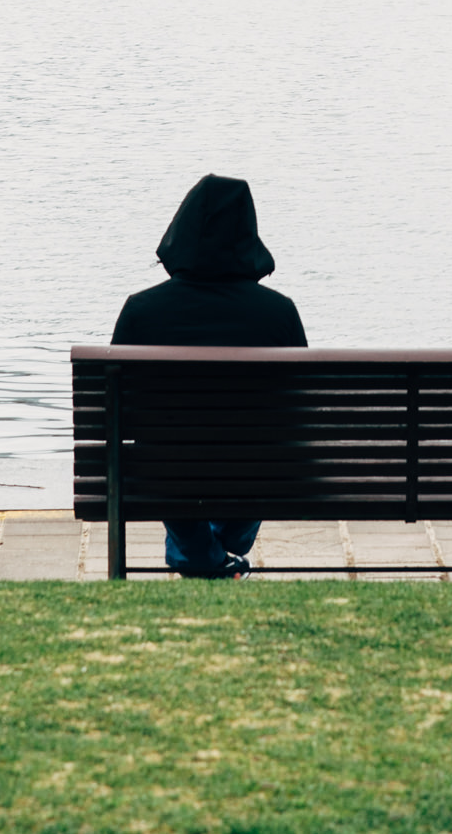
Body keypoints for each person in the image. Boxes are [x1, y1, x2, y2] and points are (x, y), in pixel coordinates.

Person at [112, 173, 306, 579]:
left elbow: (119, 411)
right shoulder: (278, 313)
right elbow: (297, 410)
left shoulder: (141, 312)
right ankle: (214, 553)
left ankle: (200, 556)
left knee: (164, 456)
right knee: (266, 454)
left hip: (163, 472)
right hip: (257, 472)